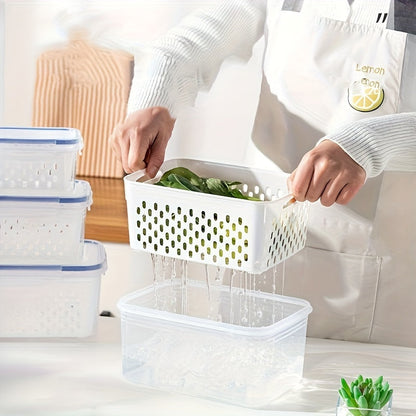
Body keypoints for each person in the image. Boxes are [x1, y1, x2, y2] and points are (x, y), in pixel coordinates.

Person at [110, 0, 416, 347]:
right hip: (266, 249)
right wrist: (155, 95)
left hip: (391, 282)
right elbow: (210, 28)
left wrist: (366, 144)